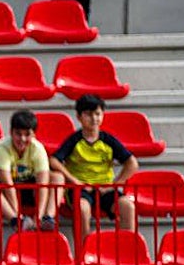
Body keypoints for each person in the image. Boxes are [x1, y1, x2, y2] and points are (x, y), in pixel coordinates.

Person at [50, 93, 139, 235]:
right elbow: (54, 160)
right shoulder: (74, 140)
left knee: (127, 206)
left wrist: (114, 184)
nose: (94, 118)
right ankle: (84, 252)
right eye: (88, 114)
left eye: (97, 114)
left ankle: (126, 251)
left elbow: (132, 163)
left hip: (104, 188)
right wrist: (74, 181)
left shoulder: (108, 140)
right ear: (79, 117)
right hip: (81, 189)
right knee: (82, 208)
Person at [0, 110, 63, 232]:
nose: (22, 139)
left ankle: (47, 218)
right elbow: (8, 186)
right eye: (18, 134)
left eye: (27, 134)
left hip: (27, 189)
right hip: (2, 191)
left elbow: (43, 185)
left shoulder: (38, 149)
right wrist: (19, 216)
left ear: (34, 135)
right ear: (11, 133)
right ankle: (15, 220)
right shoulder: (0, 148)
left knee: (57, 177)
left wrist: (38, 218)